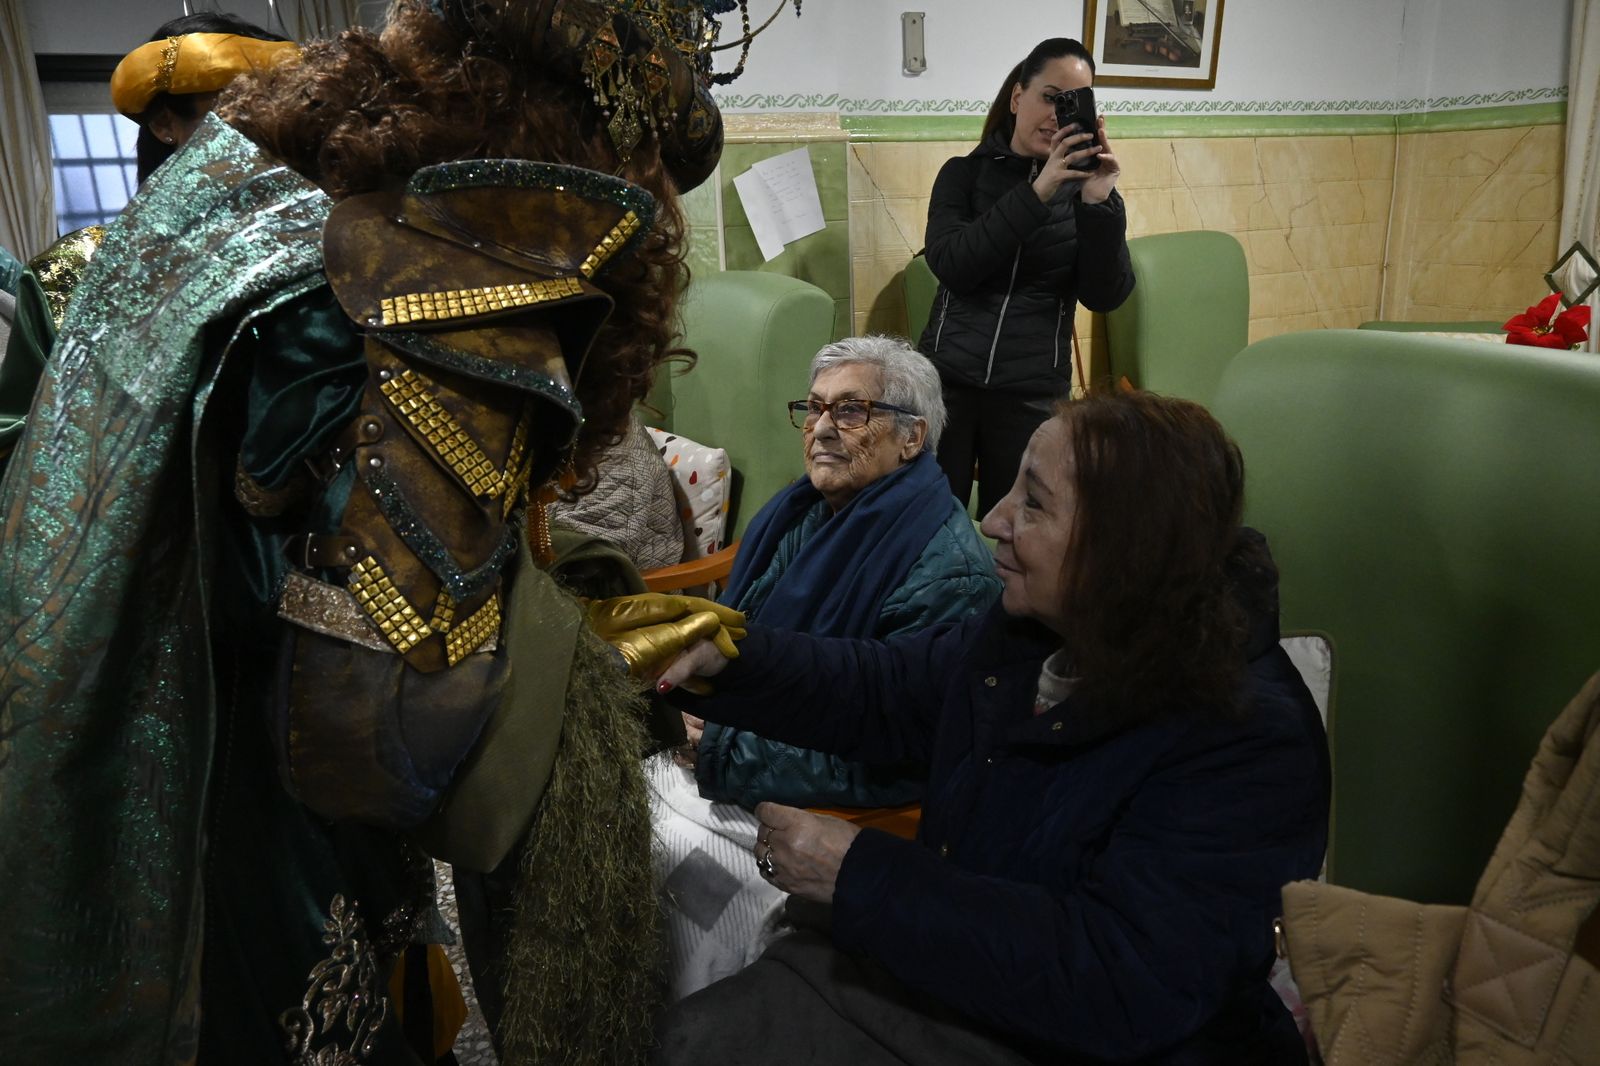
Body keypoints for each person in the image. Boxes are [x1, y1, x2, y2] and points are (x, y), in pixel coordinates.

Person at [0, 1, 756, 1062]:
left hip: (107, 725)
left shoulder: (233, 198)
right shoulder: (434, 282)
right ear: (608, 153)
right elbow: (382, 731)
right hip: (248, 808)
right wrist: (582, 669)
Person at [647, 389, 1331, 1064]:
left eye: (1034, 503)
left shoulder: (1248, 742)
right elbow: (886, 689)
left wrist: (857, 874)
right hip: (963, 987)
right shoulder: (1029, 634)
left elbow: (1121, 982)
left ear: (1125, 548)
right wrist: (727, 659)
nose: (995, 519)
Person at [651, 334, 1001, 998]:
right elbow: (753, 642)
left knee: (662, 857)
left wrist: (723, 743)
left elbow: (903, 757)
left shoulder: (949, 575)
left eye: (851, 410)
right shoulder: (802, 515)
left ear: (912, 437)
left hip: (836, 812)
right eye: (813, 408)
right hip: (738, 751)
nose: (821, 429)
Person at [0, 12, 294, 474]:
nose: (273, 132)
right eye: (241, 112)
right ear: (164, 124)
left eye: (287, 111)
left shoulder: (335, 251)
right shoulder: (76, 273)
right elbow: (18, 440)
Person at [918, 37, 1135, 519]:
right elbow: (954, 264)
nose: (1058, 116)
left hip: (1031, 394)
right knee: (929, 525)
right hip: (946, 385)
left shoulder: (1084, 194)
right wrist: (1038, 192)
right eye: (1049, 97)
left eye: (1072, 104)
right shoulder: (962, 176)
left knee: (1016, 531)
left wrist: (1099, 202)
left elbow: (1104, 295)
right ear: (1018, 97)